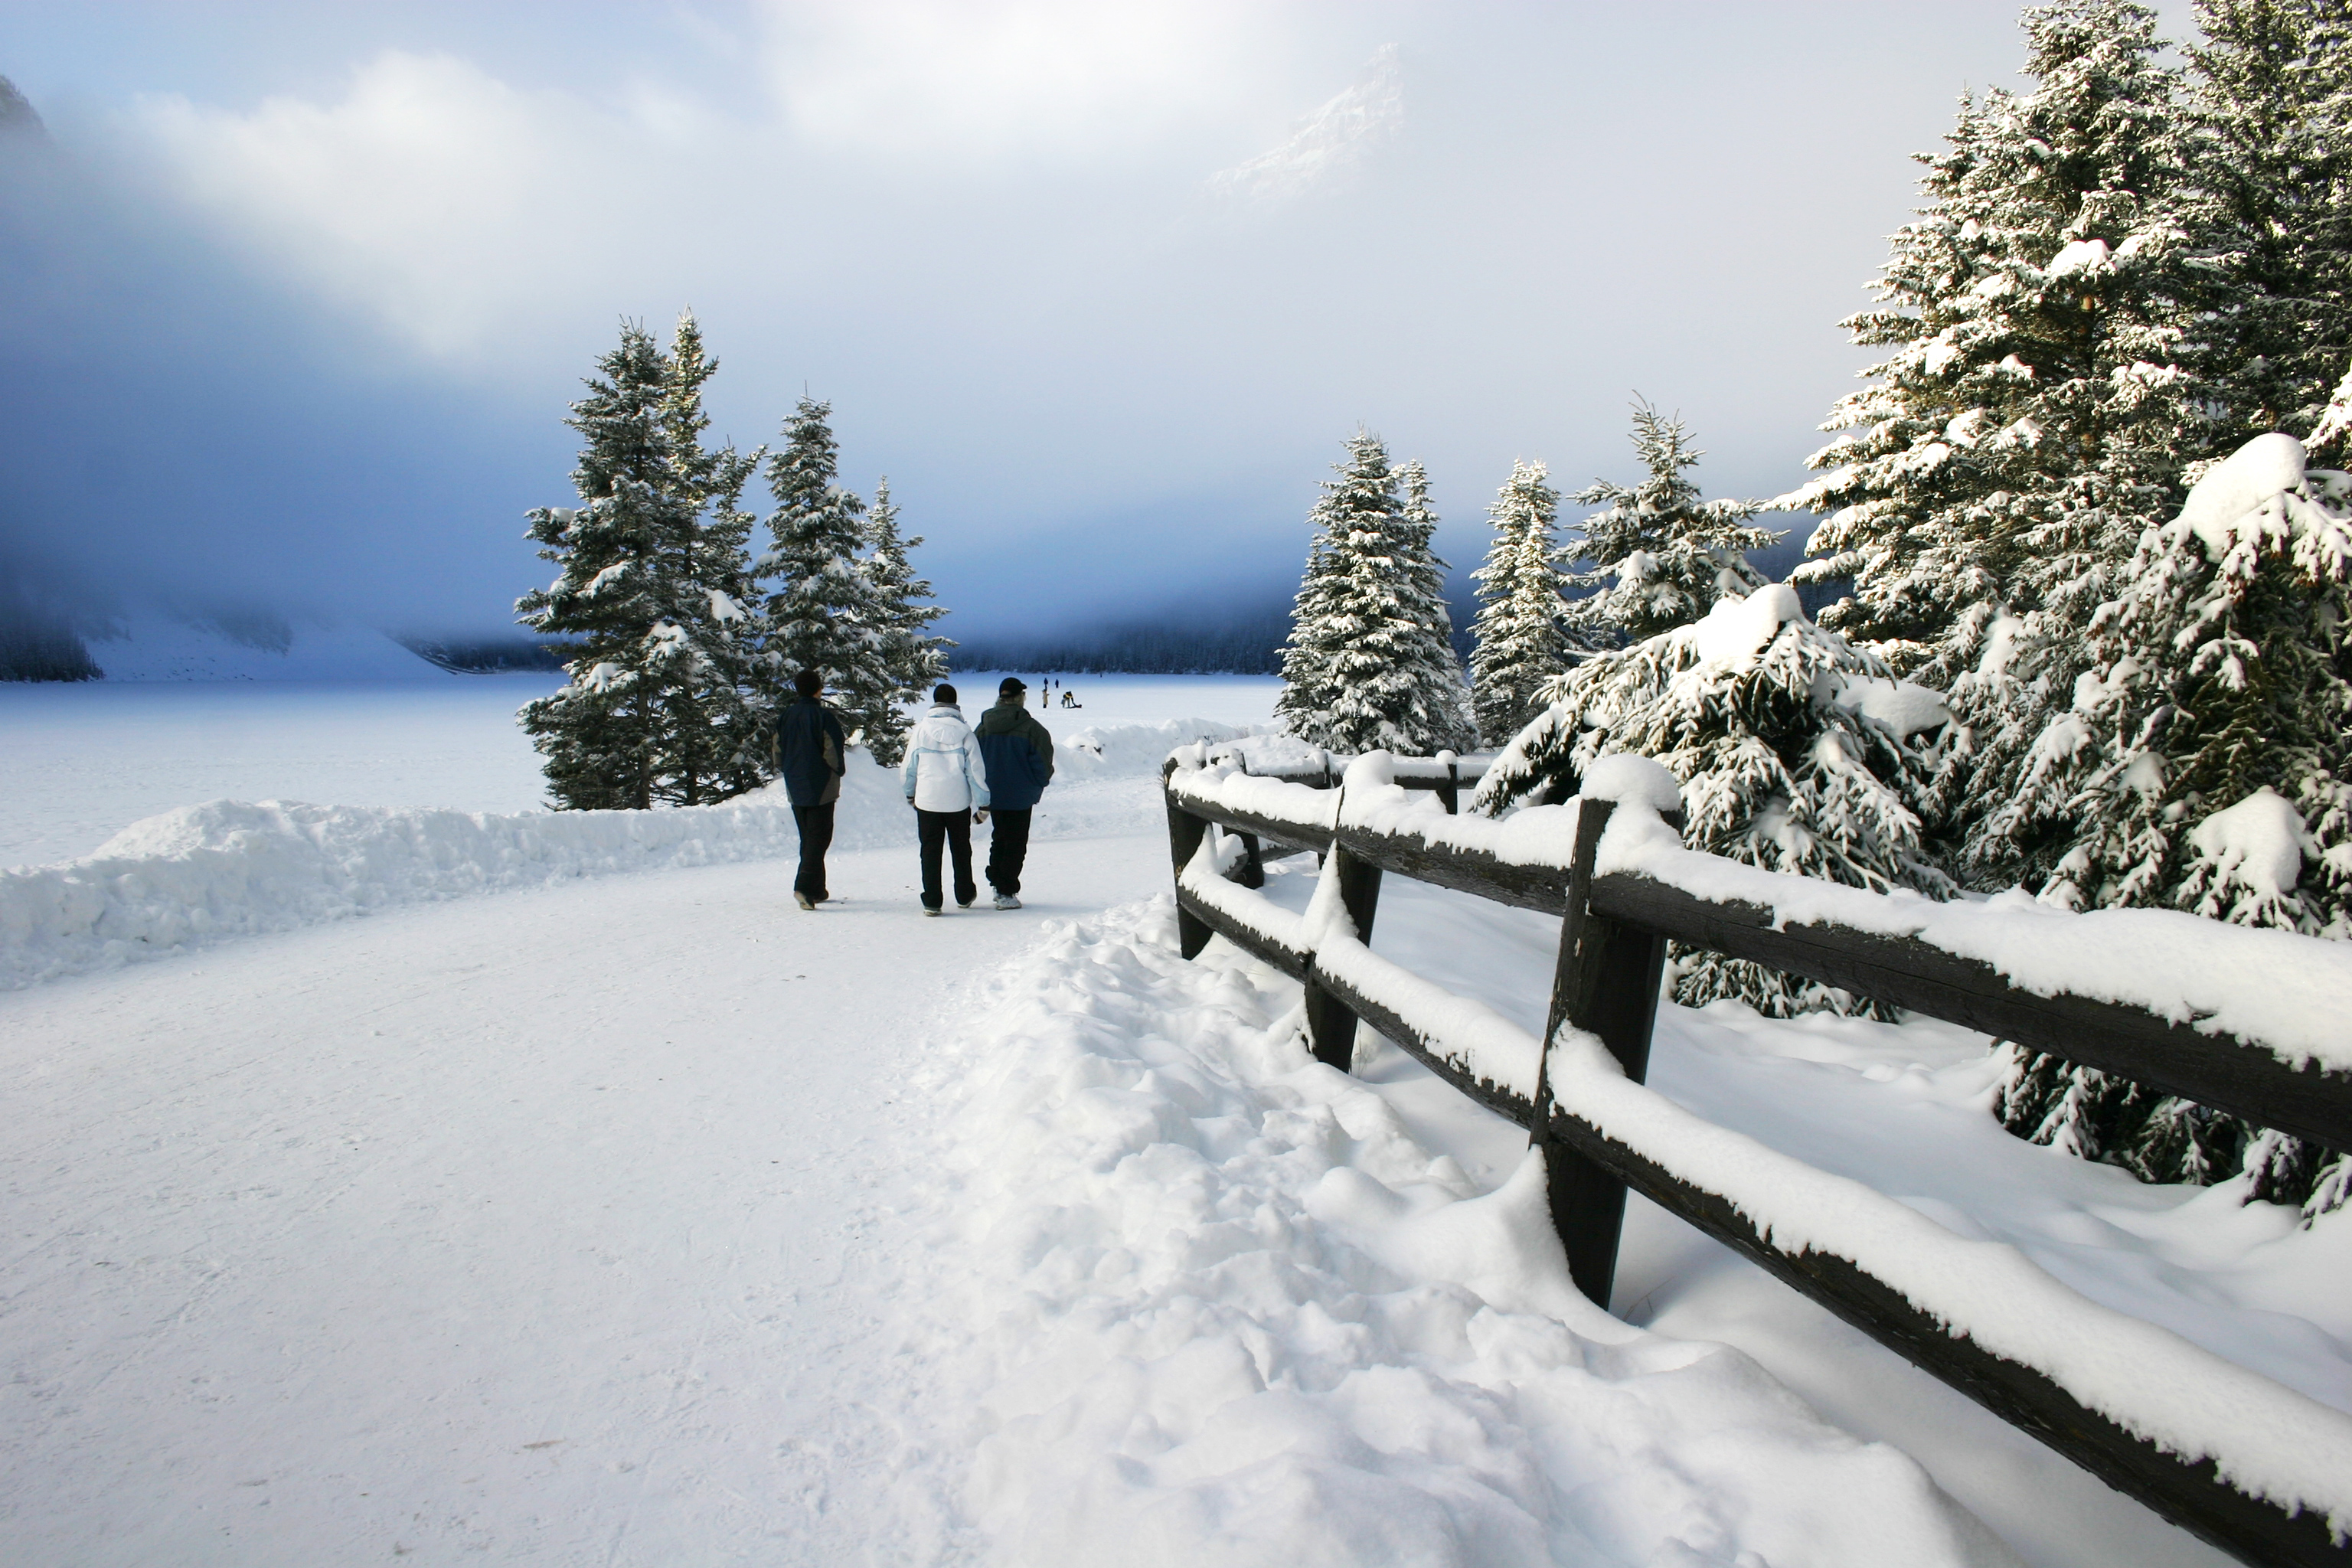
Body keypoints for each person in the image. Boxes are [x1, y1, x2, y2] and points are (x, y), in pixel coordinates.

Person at [900, 682, 990, 915]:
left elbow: (909, 768)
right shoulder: (966, 733)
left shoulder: (920, 731)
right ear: (955, 703)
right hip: (957, 802)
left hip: (927, 801)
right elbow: (976, 772)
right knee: (961, 849)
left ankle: (932, 900)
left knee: (930, 851)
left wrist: (910, 793)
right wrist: (983, 803)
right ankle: (964, 894)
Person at [974, 676, 1054, 909]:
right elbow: (1043, 763)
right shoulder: (1032, 729)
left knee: (1000, 837)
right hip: (1021, 795)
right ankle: (1006, 890)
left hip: (993, 793)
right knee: (1016, 842)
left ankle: (997, 880)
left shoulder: (982, 727)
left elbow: (973, 759)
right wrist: (1039, 783)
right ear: (1020, 697)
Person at [774, 666, 848, 911]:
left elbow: (777, 748)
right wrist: (838, 770)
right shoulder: (824, 717)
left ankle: (817, 888)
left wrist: (786, 768)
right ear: (819, 689)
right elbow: (833, 750)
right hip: (821, 785)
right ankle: (804, 886)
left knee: (808, 837)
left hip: (795, 784)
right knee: (820, 837)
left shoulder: (786, 715)